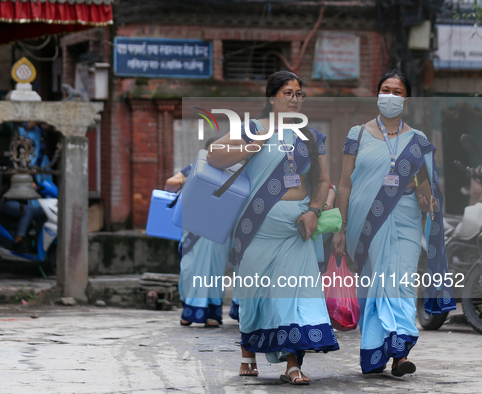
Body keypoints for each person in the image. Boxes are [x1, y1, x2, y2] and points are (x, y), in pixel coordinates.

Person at [207, 71, 338, 384]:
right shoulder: (252, 130)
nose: (293, 98)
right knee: (255, 293)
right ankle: (248, 356)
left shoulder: (311, 136)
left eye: (298, 93)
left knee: (297, 295)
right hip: (257, 225)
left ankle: (293, 365)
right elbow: (214, 157)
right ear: (271, 97)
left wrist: (314, 211)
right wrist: (255, 145)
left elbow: (322, 181)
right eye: (287, 92)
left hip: (298, 228)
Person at [331, 70, 456, 376]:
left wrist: (430, 202)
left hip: (406, 217)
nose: (390, 96)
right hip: (366, 222)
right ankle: (375, 352)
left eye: (397, 91)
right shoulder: (356, 134)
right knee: (377, 284)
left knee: (400, 282)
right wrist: (341, 226)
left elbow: (426, 186)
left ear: (406, 99)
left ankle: (399, 352)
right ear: (377, 95)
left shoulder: (417, 140)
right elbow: (345, 184)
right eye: (385, 89)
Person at [168, 137, 228, 328]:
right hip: (193, 229)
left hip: (218, 229)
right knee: (189, 270)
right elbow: (169, 184)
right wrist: (190, 178)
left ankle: (212, 314)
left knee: (214, 271)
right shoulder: (195, 168)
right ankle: (188, 311)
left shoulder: (232, 172)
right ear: (206, 152)